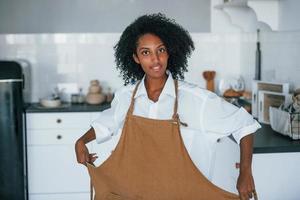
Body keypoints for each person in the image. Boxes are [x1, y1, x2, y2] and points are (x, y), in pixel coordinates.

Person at [75, 13, 261, 200]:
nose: (155, 59)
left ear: (169, 52)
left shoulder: (197, 100)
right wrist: (81, 141)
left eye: (160, 50)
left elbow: (245, 124)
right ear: (136, 58)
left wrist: (245, 172)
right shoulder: (126, 97)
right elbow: (106, 123)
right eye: (146, 52)